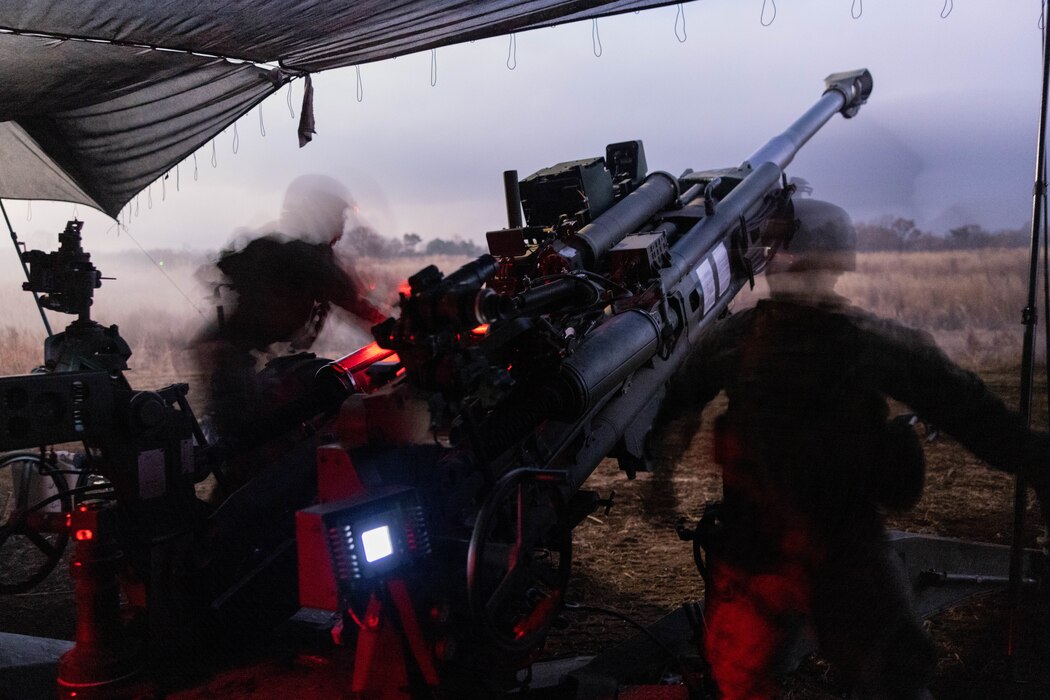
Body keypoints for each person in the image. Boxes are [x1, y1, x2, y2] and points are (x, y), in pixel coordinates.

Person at [668, 198, 1050, 699]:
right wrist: (1035, 461)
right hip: (828, 550)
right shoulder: (867, 341)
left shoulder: (736, 340)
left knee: (753, 678)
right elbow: (969, 411)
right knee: (892, 674)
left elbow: (677, 404)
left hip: (765, 550)